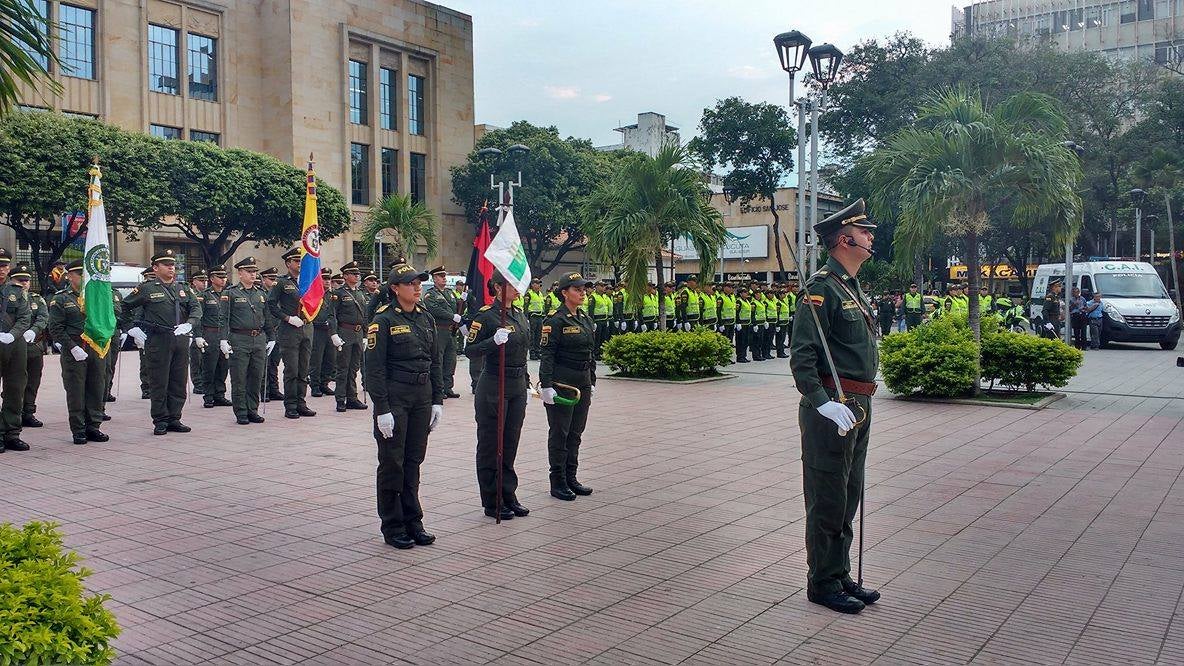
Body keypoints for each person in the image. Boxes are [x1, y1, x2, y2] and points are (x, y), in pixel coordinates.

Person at [789, 198, 881, 615]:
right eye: (864, 232)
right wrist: (822, 403)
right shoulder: (821, 288)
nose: (870, 237)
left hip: (858, 403)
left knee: (848, 494)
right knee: (827, 497)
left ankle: (839, 572)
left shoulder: (851, 287)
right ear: (845, 240)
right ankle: (822, 582)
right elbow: (802, 356)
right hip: (833, 405)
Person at [366, 263, 443, 549]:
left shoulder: (425, 317)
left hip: (422, 395)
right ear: (395, 289)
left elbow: (434, 361)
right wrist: (382, 408)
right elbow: (374, 369)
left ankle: (413, 521)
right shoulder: (383, 320)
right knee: (392, 462)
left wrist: (437, 400)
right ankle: (392, 525)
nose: (417, 287)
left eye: (418, 282)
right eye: (410, 283)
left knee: (413, 461)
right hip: (396, 396)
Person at [464, 273, 531, 521]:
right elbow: (470, 350)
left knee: (510, 443)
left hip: (516, 384)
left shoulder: (519, 314)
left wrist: (526, 382)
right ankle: (492, 499)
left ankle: (508, 494)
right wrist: (493, 342)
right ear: (497, 287)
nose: (516, 288)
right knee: (492, 445)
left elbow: (523, 351)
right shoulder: (487, 316)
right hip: (494, 384)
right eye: (511, 284)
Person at [122, 249, 202, 436]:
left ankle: (175, 417)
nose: (171, 268)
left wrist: (190, 324)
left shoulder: (183, 288)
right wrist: (130, 328)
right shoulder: (147, 288)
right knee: (159, 381)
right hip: (158, 339)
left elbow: (196, 308)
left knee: (178, 381)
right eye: (166, 265)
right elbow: (124, 306)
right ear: (155, 268)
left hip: (180, 338)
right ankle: (160, 420)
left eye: (173, 265)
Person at [539, 272, 597, 501]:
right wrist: (546, 385)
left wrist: (592, 380)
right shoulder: (555, 320)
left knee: (575, 433)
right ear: (564, 293)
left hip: (582, 381)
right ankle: (558, 481)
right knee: (560, 433)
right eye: (577, 289)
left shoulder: (585, 318)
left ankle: (571, 477)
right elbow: (547, 354)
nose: (582, 293)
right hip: (562, 382)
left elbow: (590, 353)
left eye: (583, 289)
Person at [47, 260, 109, 444]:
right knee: (76, 390)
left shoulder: (96, 296)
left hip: (96, 347)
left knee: (97, 387)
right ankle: (79, 429)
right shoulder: (61, 298)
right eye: (80, 274)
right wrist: (72, 347)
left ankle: (94, 426)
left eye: (86, 274)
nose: (84, 278)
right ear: (69, 276)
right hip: (74, 349)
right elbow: (55, 328)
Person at [219, 257, 272, 425]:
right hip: (239, 339)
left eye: (254, 271)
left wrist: (272, 338)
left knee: (256, 377)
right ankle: (241, 411)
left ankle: (252, 410)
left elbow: (267, 317)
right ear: (240, 273)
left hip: (259, 339)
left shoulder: (261, 293)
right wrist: (223, 339)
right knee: (239, 378)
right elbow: (223, 318)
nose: (253, 274)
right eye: (249, 272)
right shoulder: (231, 293)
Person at [268, 248, 316, 419]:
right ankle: (290, 405)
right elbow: (271, 305)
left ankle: (301, 403)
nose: (300, 264)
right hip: (290, 330)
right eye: (296, 261)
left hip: (307, 328)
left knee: (303, 369)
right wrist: (287, 318)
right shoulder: (281, 283)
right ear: (288, 264)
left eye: (301, 261)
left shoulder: (308, 281)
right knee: (292, 370)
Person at [329, 261, 368, 412]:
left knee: (354, 368)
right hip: (345, 332)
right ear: (345, 276)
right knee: (343, 368)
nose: (357, 276)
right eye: (353, 274)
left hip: (358, 333)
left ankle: (352, 398)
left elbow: (364, 316)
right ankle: (340, 399)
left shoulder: (360, 293)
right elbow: (332, 315)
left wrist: (365, 335)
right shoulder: (338, 294)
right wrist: (334, 334)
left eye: (358, 274)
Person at [421, 266, 462, 399]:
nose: (444, 278)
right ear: (434, 279)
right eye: (441, 276)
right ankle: (439, 388)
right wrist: (452, 316)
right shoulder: (430, 294)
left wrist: (463, 301)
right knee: (438, 360)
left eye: (445, 276)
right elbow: (434, 309)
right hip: (439, 330)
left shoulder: (450, 293)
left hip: (451, 331)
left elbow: (457, 307)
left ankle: (448, 387)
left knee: (451, 360)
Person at [15, 265, 47, 430]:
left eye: (26, 280)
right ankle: (14, 413)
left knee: (33, 381)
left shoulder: (37, 299)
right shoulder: (8, 298)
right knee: (16, 382)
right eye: (20, 280)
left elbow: (43, 318)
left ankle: (28, 412)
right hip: (14, 346)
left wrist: (33, 331)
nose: (24, 283)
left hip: (34, 346)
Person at [199, 265, 231, 408]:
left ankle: (220, 394)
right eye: (220, 277)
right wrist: (198, 335)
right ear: (212, 279)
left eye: (225, 277)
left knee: (223, 366)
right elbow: (199, 317)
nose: (223, 279)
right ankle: (208, 396)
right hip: (210, 333)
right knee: (209, 366)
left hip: (225, 333)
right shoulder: (205, 295)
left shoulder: (229, 294)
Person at [309, 267, 336, 397]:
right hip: (317, 329)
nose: (327, 281)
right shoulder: (313, 294)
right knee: (316, 359)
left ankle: (324, 384)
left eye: (329, 278)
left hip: (330, 330)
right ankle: (315, 385)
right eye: (324, 278)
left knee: (330, 359)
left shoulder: (333, 295)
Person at [259, 267, 284, 403]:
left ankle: (274, 389)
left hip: (277, 331)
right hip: (265, 332)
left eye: (275, 279)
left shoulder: (278, 293)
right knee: (264, 364)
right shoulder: (261, 293)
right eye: (271, 279)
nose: (274, 281)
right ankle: (265, 390)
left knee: (274, 362)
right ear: (263, 280)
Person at [188, 269, 209, 396]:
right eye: (201, 280)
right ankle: (197, 383)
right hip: (195, 330)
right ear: (194, 281)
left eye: (205, 280)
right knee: (196, 359)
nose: (204, 283)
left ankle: (204, 382)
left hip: (207, 330)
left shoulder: (208, 294)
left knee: (205, 359)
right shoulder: (191, 294)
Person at [523, 278, 546, 360]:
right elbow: (525, 306)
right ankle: (532, 353)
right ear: (532, 284)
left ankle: (537, 351)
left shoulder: (540, 294)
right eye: (537, 283)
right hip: (532, 316)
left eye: (539, 283)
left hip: (540, 316)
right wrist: (526, 318)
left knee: (539, 335)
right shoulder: (529, 294)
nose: (539, 285)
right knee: (532, 335)